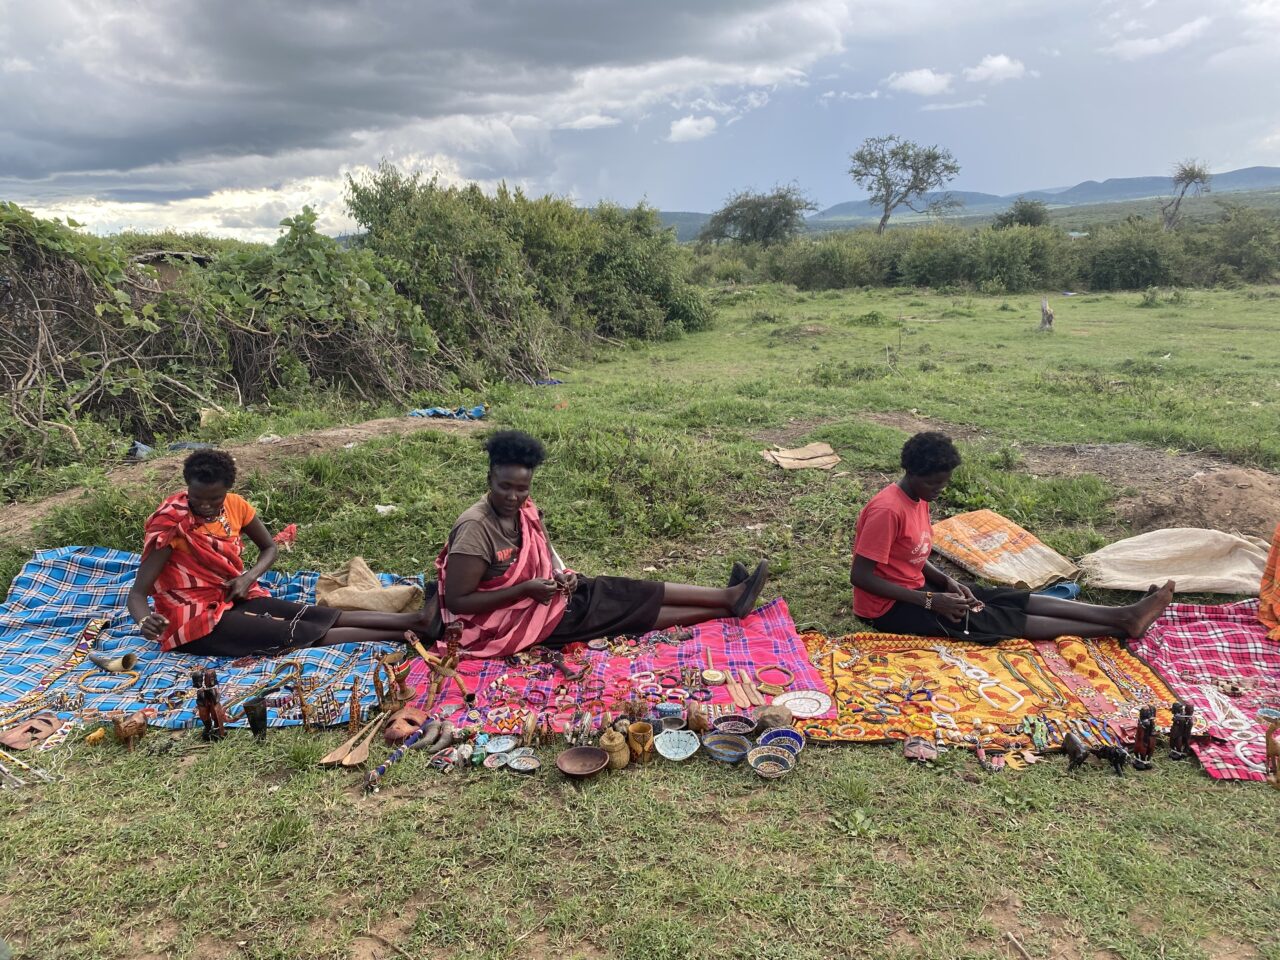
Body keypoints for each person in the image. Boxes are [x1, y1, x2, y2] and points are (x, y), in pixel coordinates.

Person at [437, 430, 768, 671]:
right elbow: (458, 601)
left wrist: (561, 575)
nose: (513, 496)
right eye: (504, 487)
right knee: (622, 612)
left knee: (618, 589)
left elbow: (546, 554)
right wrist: (525, 589)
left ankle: (726, 596)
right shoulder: (475, 528)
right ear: (489, 480)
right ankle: (727, 605)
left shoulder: (524, 509)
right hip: (510, 621)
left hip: (541, 598)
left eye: (522, 488)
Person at [849, 431, 1174, 643]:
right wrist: (932, 600)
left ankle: (1123, 614)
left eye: (944, 483)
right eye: (934, 484)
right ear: (912, 473)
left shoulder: (918, 499)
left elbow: (910, 558)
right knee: (993, 618)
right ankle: (1121, 625)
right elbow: (861, 577)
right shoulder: (887, 510)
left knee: (1002, 598)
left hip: (916, 590)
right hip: (886, 608)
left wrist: (946, 582)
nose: (940, 490)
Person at [128, 450, 436, 656]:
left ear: (228, 491)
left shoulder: (236, 506)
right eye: (197, 498)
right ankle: (408, 633)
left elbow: (269, 548)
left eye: (215, 498)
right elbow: (138, 595)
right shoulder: (172, 524)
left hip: (232, 595)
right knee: (294, 631)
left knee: (312, 613)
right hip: (193, 621)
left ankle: (419, 620)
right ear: (187, 489)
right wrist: (145, 622)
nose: (206, 505)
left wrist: (248, 578)